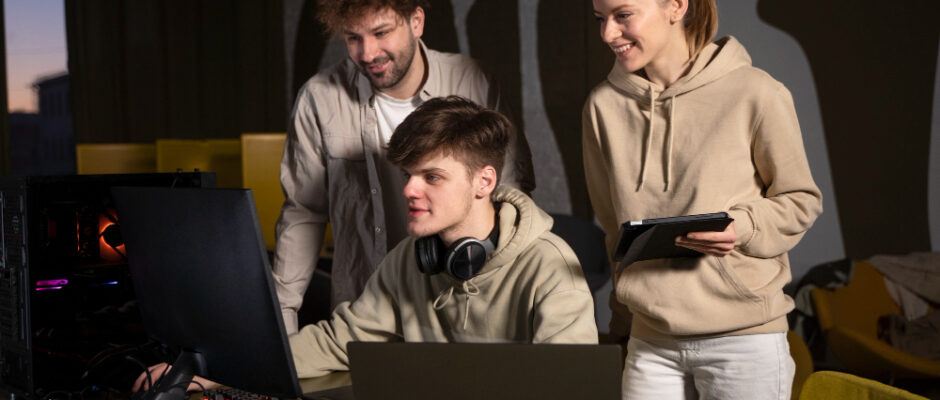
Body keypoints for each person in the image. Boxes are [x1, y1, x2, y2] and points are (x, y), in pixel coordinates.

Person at [133, 96, 595, 389]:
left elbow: (570, 387)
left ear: (484, 181)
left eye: (431, 176)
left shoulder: (550, 269)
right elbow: (339, 341)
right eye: (408, 175)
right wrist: (212, 371)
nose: (410, 190)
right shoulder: (409, 260)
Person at [583, 0, 823, 399]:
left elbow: (800, 199)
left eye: (622, 15)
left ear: (676, 6)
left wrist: (741, 226)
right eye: (600, 19)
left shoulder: (755, 91)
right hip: (650, 340)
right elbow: (615, 231)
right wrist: (622, 324)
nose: (608, 34)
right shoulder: (603, 107)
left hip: (743, 340)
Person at [275, 0, 536, 334]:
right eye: (353, 38)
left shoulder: (475, 80)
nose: (368, 53)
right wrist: (280, 325)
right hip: (361, 313)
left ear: (416, 21)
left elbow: (512, 195)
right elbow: (303, 214)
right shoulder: (319, 98)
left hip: (461, 313)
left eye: (381, 32)